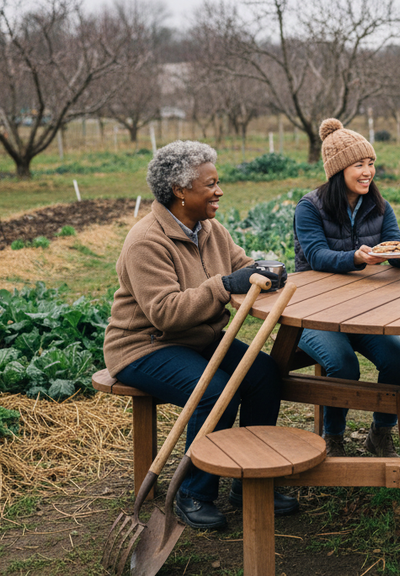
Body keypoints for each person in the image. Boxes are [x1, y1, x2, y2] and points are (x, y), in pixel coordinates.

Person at [103, 140, 298, 531]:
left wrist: (265, 272)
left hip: (197, 339)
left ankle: (249, 479)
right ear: (180, 190)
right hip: (146, 346)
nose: (219, 191)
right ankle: (194, 492)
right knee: (214, 392)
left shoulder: (208, 229)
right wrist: (224, 285)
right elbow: (166, 312)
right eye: (210, 184)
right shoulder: (146, 241)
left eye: (217, 182)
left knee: (263, 374)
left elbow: (241, 266)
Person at [293, 118, 400, 458]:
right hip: (313, 311)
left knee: (397, 360)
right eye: (359, 164)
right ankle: (333, 437)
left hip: (362, 310)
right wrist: (355, 258)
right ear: (338, 169)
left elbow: (394, 243)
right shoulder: (310, 207)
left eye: (370, 163)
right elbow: (316, 256)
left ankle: (380, 433)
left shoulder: (379, 205)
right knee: (344, 365)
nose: (368, 172)